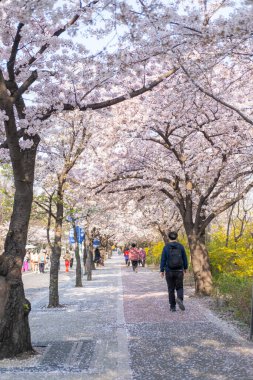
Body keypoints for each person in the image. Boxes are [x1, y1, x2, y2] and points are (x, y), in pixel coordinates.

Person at [160, 231, 188, 312]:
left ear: (169, 237)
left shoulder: (166, 247)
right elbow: (184, 258)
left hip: (169, 271)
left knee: (171, 289)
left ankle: (172, 307)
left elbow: (163, 259)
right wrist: (185, 268)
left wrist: (162, 270)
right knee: (179, 287)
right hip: (179, 270)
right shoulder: (181, 246)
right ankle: (180, 299)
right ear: (177, 237)